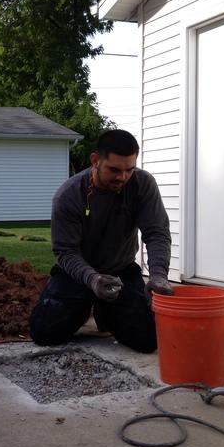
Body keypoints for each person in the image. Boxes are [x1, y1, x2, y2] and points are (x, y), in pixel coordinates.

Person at [29, 129, 173, 353]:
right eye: (114, 170)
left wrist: (158, 274)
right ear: (96, 161)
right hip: (76, 274)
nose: (122, 177)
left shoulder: (143, 184)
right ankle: (87, 304)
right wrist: (92, 280)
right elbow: (65, 252)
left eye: (129, 170)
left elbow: (157, 233)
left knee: (147, 340)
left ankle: (106, 311)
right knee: (44, 333)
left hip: (120, 271)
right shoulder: (69, 195)